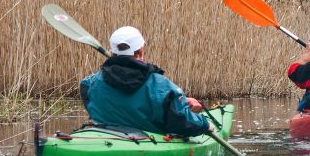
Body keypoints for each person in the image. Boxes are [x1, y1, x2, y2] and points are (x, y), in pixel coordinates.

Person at [79, 25, 213, 136]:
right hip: (147, 140)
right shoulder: (161, 86)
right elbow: (182, 123)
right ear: (141, 50)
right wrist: (205, 124)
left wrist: (181, 101)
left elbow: (84, 86)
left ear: (113, 51)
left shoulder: (93, 81)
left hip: (107, 135)